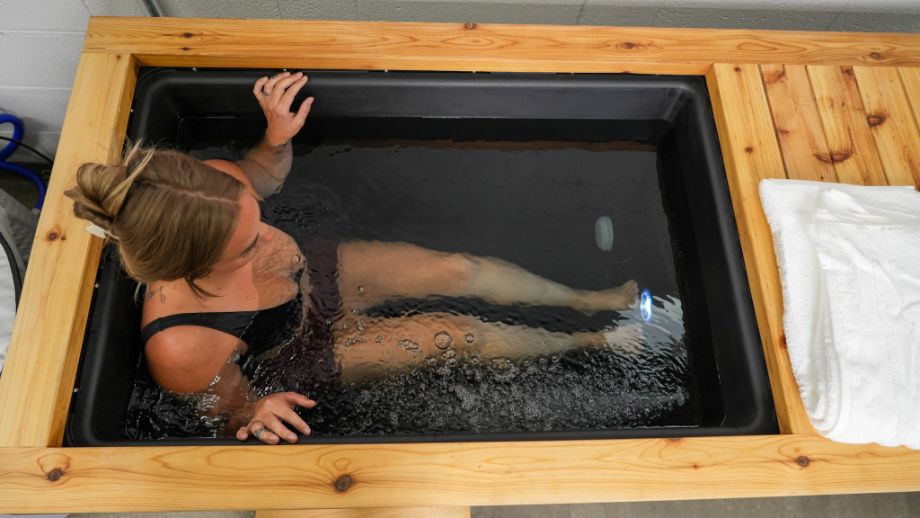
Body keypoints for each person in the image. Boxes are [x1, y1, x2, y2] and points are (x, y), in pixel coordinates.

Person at [66, 72, 640, 445]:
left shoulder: (211, 186)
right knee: (459, 332)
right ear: (185, 268)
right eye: (246, 246)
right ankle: (587, 341)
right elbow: (230, 410)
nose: (270, 238)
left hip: (320, 273)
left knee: (457, 269)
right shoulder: (183, 345)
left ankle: (587, 300)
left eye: (256, 219)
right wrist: (252, 417)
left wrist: (275, 139)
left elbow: (261, 176)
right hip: (303, 350)